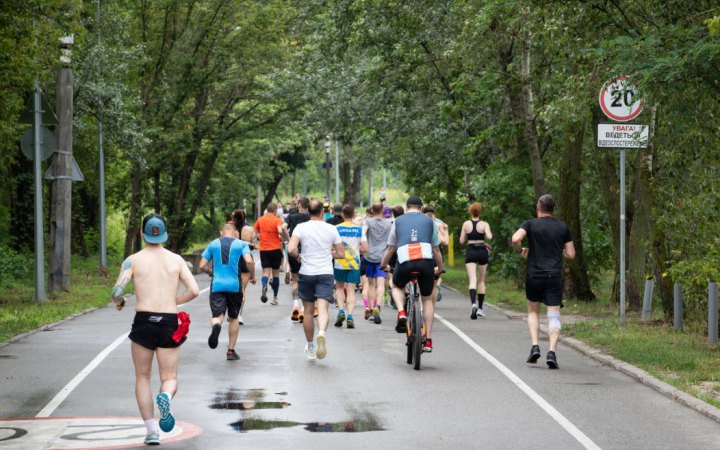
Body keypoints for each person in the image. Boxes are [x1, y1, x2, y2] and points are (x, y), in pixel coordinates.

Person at [111, 214, 200, 446]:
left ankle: (151, 431)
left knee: (142, 377)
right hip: (169, 321)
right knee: (169, 377)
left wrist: (119, 302)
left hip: (143, 321)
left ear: (142, 234)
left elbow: (117, 290)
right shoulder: (177, 260)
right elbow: (194, 290)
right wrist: (174, 301)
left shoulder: (133, 260)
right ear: (164, 234)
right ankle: (166, 397)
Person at [511, 194, 575, 369]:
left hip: (534, 275)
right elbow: (571, 254)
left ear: (538, 207)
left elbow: (516, 238)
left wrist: (521, 251)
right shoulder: (562, 227)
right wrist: (558, 252)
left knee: (533, 312)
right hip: (553, 275)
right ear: (553, 209)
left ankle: (535, 346)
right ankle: (552, 352)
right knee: (553, 314)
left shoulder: (530, 224)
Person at [381, 196, 444, 353]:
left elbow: (391, 248)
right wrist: (440, 268)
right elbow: (436, 249)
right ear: (421, 208)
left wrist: (383, 265)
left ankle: (401, 311)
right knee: (427, 298)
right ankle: (428, 339)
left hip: (405, 262)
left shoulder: (398, 221)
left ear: (407, 207)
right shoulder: (430, 221)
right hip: (425, 262)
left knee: (396, 285)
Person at [287, 199, 345, 360]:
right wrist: (328, 253)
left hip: (306, 272)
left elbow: (291, 248)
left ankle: (311, 346)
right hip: (325, 272)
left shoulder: (301, 227)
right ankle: (321, 333)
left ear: (307, 212)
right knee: (323, 309)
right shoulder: (331, 228)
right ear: (322, 212)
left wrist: (298, 256)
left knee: (308, 312)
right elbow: (341, 254)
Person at [199, 223, 255, 360]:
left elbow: (201, 265)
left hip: (217, 285)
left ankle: (217, 324)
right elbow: (249, 262)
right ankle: (230, 351)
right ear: (235, 233)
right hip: (235, 286)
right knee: (234, 317)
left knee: (218, 314)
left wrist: (211, 272)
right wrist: (252, 275)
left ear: (221, 232)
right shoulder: (241, 244)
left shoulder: (212, 244)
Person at [333, 205, 368, 329]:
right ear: (353, 215)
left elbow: (332, 247)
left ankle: (341, 311)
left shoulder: (336, 228)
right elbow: (365, 248)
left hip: (340, 262)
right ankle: (350, 316)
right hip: (354, 263)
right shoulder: (359, 229)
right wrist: (357, 250)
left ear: (342, 215)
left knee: (339, 288)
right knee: (351, 289)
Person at [459, 202, 493, 319]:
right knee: (481, 280)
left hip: (471, 251)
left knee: (472, 279)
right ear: (480, 211)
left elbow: (461, 241)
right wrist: (484, 235)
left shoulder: (466, 224)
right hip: (482, 251)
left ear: (470, 211)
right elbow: (489, 237)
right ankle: (480, 308)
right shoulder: (484, 224)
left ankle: (473, 303)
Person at [363, 203, 392, 324]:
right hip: (383, 257)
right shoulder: (389, 223)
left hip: (370, 256)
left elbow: (363, 233)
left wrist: (364, 245)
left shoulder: (368, 222)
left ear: (372, 210)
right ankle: (378, 307)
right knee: (380, 284)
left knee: (371, 285)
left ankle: (370, 310)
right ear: (382, 210)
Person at [254, 203, 288, 305]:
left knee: (266, 272)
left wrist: (259, 237)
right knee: (276, 274)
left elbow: (255, 232)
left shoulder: (260, 219)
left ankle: (264, 285)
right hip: (275, 249)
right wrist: (284, 237)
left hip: (264, 249)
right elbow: (280, 230)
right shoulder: (278, 220)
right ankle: (275, 298)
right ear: (275, 211)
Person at [283, 196, 311, 322]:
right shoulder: (311, 218)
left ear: (299, 205)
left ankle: (295, 305)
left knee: (295, 279)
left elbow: (282, 227)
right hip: (307, 250)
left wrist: (289, 241)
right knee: (306, 280)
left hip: (294, 249)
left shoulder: (292, 216)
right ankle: (305, 310)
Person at [231, 209, 257, 324]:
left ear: (234, 218)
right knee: (242, 290)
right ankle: (239, 315)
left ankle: (232, 311)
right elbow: (254, 244)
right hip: (246, 257)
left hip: (234, 258)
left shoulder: (230, 230)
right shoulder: (250, 229)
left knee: (233, 288)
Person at [422, 204, 449, 304]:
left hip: (422, 253)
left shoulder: (419, 222)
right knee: (433, 284)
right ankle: (431, 309)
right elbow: (445, 242)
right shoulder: (438, 223)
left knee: (421, 282)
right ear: (434, 213)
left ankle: (420, 307)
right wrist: (446, 231)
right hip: (436, 253)